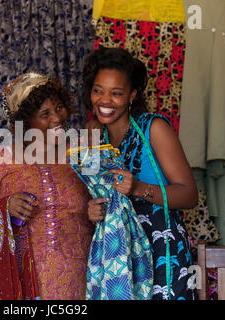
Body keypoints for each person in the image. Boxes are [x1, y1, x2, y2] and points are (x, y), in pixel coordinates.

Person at [82, 47, 198, 300]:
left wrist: (138, 189)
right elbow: (93, 191)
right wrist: (92, 210)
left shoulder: (153, 128)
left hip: (161, 251)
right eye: (98, 90)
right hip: (116, 253)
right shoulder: (92, 133)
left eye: (116, 93)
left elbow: (189, 195)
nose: (104, 101)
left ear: (132, 95)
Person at [0, 73, 94, 300]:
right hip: (23, 284)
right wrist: (4, 208)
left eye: (59, 108)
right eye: (45, 114)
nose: (57, 118)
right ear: (24, 122)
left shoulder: (82, 155)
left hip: (80, 279)